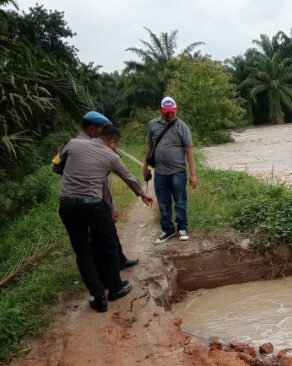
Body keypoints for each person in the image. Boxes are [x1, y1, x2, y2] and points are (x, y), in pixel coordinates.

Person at [58, 124, 153, 312]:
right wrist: (142, 194)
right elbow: (128, 177)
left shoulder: (72, 143)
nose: (116, 147)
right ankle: (115, 288)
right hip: (93, 205)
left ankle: (98, 296)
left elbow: (58, 165)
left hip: (67, 205)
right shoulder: (111, 156)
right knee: (108, 243)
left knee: (83, 252)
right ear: (111, 141)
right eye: (116, 144)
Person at [54, 111, 138, 268]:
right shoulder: (75, 143)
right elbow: (56, 165)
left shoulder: (99, 143)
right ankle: (107, 272)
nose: (104, 133)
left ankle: (119, 260)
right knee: (99, 237)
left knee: (109, 232)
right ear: (92, 129)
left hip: (100, 194)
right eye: (102, 129)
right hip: (90, 198)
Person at [143, 96, 197, 244]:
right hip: (159, 172)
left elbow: (189, 150)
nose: (170, 114)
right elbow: (149, 147)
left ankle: (182, 228)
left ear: (176, 110)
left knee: (180, 201)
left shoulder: (182, 126)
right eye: (167, 112)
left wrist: (193, 174)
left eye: (172, 112)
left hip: (178, 172)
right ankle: (168, 229)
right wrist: (145, 167)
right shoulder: (152, 125)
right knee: (163, 202)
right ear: (161, 110)